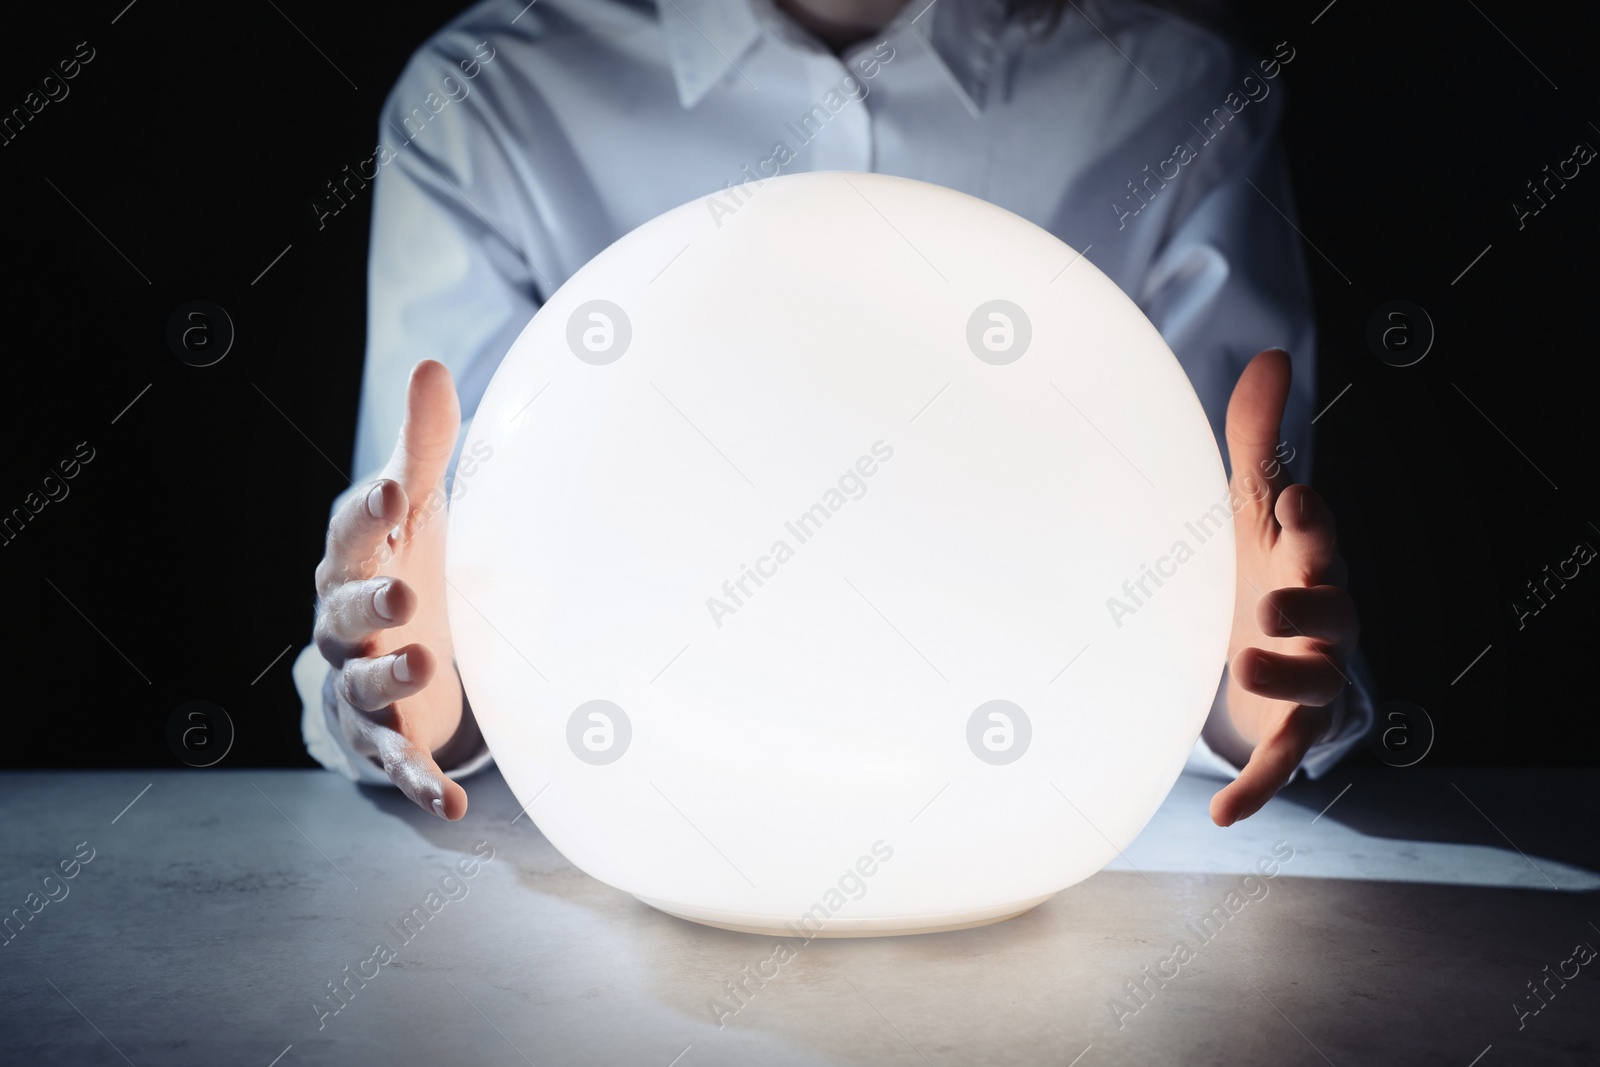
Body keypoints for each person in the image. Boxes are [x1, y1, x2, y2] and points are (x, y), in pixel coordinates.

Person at [293, 0, 1372, 828]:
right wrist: (423, 687)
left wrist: (1240, 684)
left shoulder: (1178, 99)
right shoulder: (490, 98)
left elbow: (1216, 599)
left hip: (1028, 831)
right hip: (639, 834)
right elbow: (427, 598)